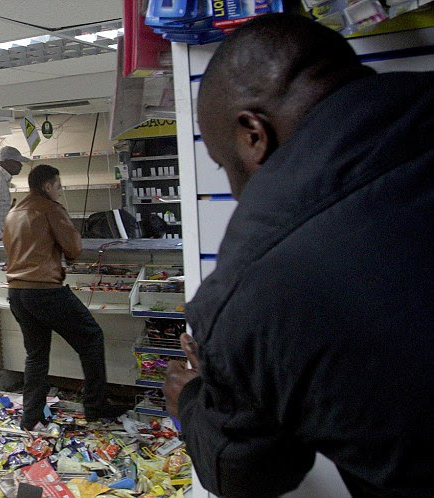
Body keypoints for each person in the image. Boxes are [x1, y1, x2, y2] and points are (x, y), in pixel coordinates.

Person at [162, 14, 434, 497]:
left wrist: (194, 397)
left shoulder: (252, 285)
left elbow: (248, 473)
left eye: (225, 165)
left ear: (253, 133)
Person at [2, 164, 117, 430]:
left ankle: (30, 417)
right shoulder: (50, 208)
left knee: (36, 355)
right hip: (45, 291)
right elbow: (74, 249)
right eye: (59, 187)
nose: (61, 192)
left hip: (17, 293)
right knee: (91, 338)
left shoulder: (13, 212)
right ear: (47, 186)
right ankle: (95, 408)